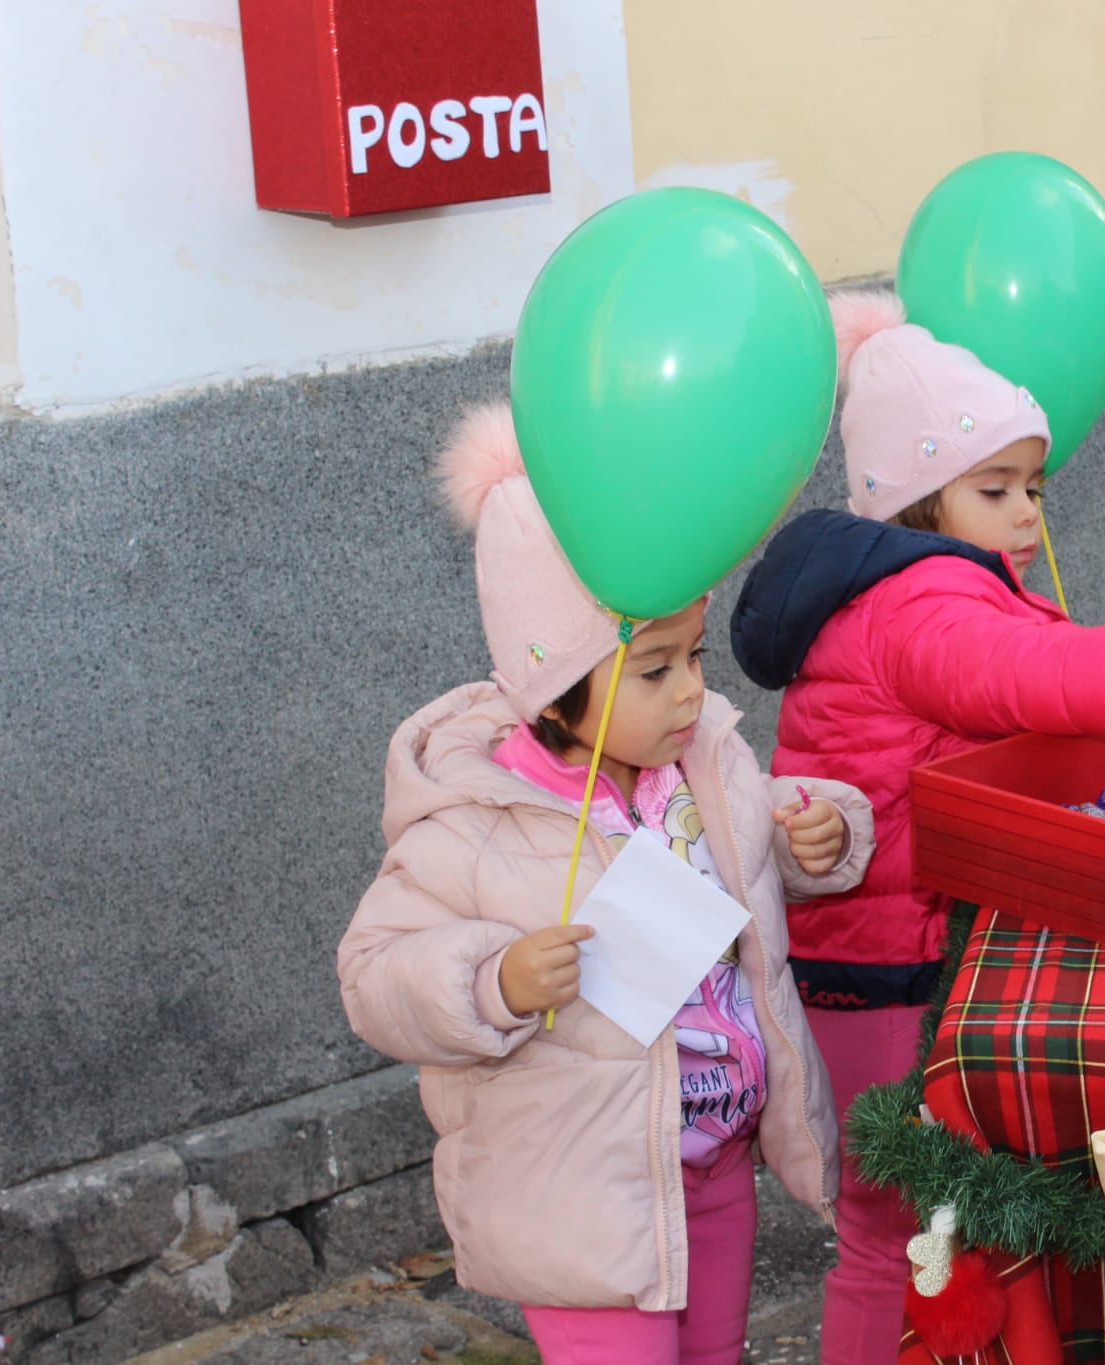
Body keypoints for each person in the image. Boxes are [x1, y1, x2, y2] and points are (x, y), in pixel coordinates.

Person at [729, 290, 1105, 1362]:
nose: (1027, 512)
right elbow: (1029, 673)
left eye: (1033, 486)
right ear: (918, 502)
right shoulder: (919, 608)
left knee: (939, 1226)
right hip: (885, 976)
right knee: (894, 1235)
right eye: (996, 489)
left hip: (912, 950)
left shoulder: (941, 589)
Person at [338, 404, 874, 1365]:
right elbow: (374, 973)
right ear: (556, 684)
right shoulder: (475, 817)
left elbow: (747, 847)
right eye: (654, 668)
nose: (691, 690)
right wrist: (495, 981)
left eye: (695, 655)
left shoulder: (698, 767)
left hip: (711, 1162)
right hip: (577, 1191)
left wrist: (816, 835)